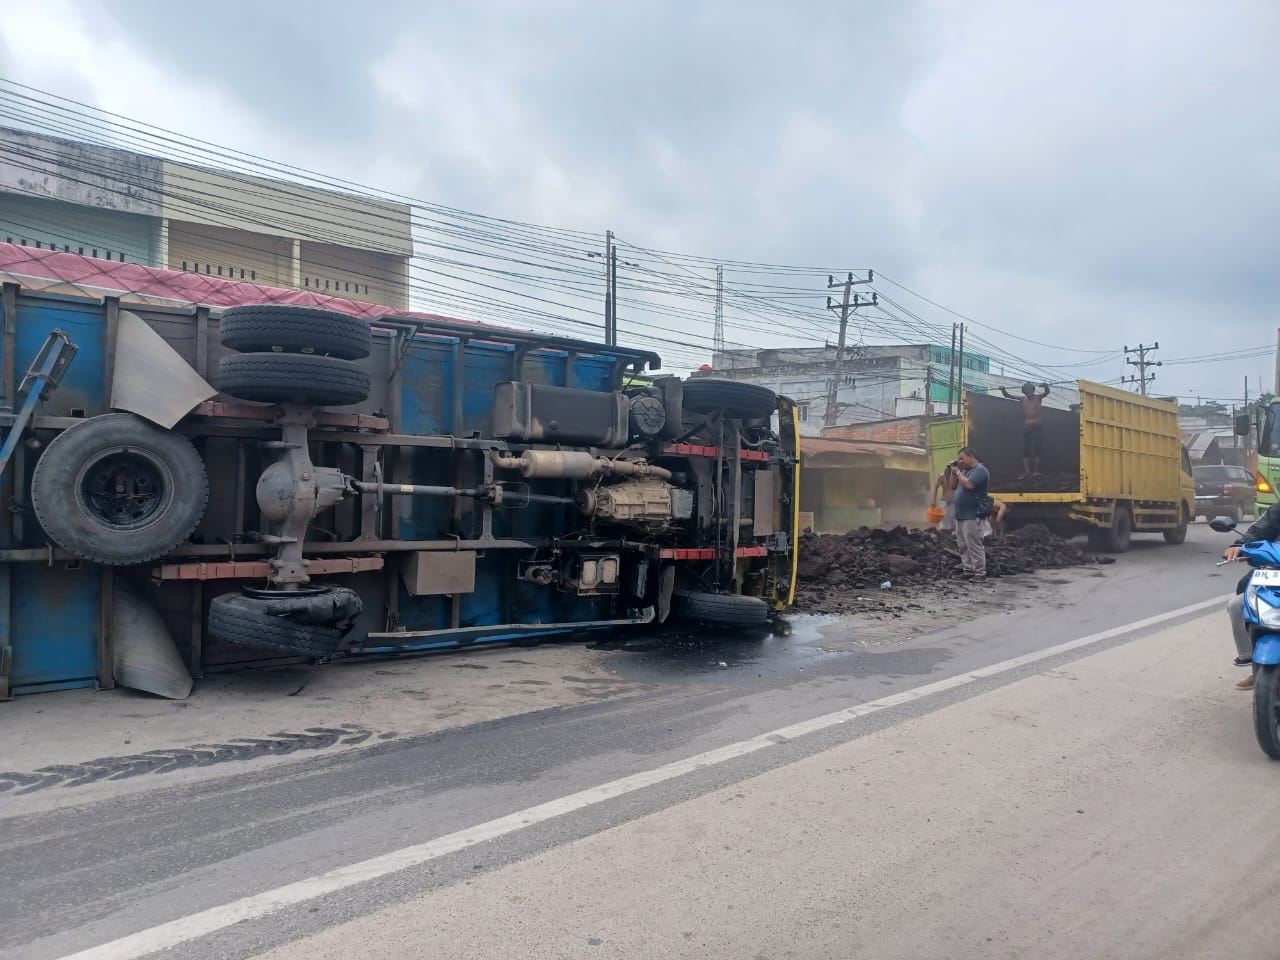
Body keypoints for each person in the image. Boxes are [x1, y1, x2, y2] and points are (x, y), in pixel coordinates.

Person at [1222, 501, 1280, 689]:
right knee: (1237, 605)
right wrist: (1239, 546)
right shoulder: (1278, 510)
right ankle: (1257, 665)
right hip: (1274, 576)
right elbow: (1257, 531)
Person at [952, 446, 990, 580]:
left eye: (962, 458)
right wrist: (953, 472)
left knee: (974, 544)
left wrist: (958, 473)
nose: (961, 462)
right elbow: (952, 486)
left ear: (971, 456)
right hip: (960, 514)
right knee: (962, 544)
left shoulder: (980, 471)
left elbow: (970, 485)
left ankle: (980, 573)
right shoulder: (966, 472)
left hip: (972, 514)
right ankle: (968, 570)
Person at [1000, 382, 1051, 477]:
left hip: (1037, 426)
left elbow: (1047, 392)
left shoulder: (1038, 397)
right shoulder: (1023, 399)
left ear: (1033, 390)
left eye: (1030, 391)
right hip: (1027, 427)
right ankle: (1027, 472)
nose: (1029, 393)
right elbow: (1008, 395)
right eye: (1027, 391)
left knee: (1037, 449)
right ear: (1025, 392)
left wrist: (1045, 386)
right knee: (1025, 449)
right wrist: (1003, 389)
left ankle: (1035, 472)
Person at [932, 461, 959, 532]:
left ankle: (953, 539)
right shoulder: (942, 477)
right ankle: (943, 537)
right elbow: (935, 488)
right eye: (949, 467)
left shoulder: (957, 476)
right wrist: (933, 502)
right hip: (944, 502)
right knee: (944, 523)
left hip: (954, 502)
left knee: (955, 522)